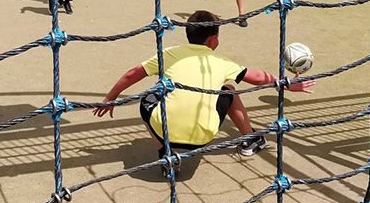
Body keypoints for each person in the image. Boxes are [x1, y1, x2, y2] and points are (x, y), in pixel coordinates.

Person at [93, 9, 312, 158]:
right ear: (211, 40)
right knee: (229, 91)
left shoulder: (170, 54)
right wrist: (285, 84)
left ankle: (166, 152)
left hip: (165, 131)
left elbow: (133, 74)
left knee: (149, 97)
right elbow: (256, 77)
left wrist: (110, 98)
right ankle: (251, 139)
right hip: (203, 136)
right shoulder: (220, 61)